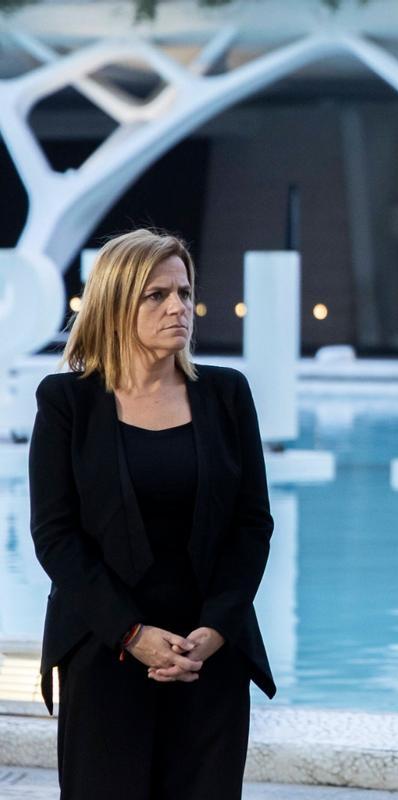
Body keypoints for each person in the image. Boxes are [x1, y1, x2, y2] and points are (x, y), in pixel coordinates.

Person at [28, 229, 275, 799]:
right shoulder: (67, 402)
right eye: (156, 295)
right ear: (117, 302)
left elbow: (251, 524)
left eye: (184, 292)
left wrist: (215, 630)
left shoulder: (226, 394)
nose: (178, 308)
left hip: (208, 651)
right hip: (104, 647)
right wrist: (132, 633)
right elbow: (55, 535)